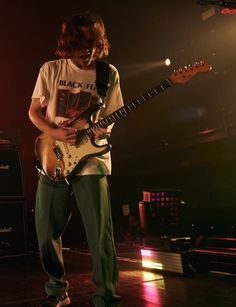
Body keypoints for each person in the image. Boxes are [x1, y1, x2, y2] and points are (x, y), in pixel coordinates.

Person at [28, 11, 124, 307]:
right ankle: (57, 290)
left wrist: (101, 129)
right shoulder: (51, 69)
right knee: (46, 231)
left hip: (92, 158)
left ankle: (106, 296)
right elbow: (33, 112)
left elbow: (110, 117)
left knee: (99, 234)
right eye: (81, 48)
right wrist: (53, 132)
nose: (88, 54)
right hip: (54, 157)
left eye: (93, 48)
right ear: (68, 45)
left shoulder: (109, 74)